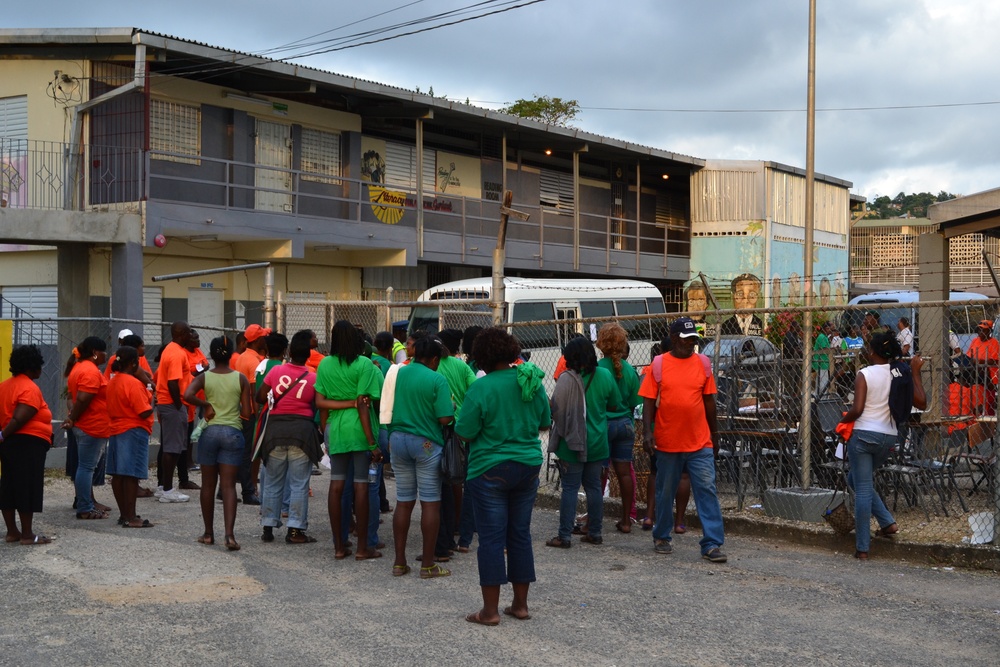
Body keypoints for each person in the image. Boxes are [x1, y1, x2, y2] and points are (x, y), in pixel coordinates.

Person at [455, 327, 550, 626]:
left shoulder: (481, 388)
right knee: (520, 534)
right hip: (528, 466)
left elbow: (466, 431)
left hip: (489, 469)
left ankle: (490, 612)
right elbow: (544, 422)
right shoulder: (530, 381)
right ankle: (520, 606)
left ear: (481, 357)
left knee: (493, 539)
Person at [639, 317, 727, 563]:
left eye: (694, 340)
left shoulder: (703, 364)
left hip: (700, 442)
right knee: (665, 493)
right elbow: (648, 401)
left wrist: (715, 434)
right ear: (674, 338)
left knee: (707, 491)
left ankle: (711, 543)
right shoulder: (658, 365)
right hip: (668, 443)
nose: (691, 344)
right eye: (687, 339)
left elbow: (709, 402)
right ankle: (662, 536)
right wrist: (648, 433)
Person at [838, 332, 926, 560]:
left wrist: (843, 421)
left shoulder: (864, 374)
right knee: (855, 480)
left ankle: (862, 548)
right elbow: (922, 403)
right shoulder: (899, 373)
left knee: (863, 489)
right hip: (888, 437)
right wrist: (916, 371)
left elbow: (857, 409)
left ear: (872, 352)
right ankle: (887, 523)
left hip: (864, 435)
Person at [315, 320, 384, 561]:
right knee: (361, 486)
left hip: (334, 429)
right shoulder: (364, 364)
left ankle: (339, 546)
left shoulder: (324, 364)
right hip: (358, 429)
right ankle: (363, 548)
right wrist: (372, 443)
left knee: (336, 486)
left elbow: (320, 403)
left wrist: (326, 430)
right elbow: (364, 405)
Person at [546, 336, 623, 548]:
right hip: (598, 440)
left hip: (571, 442)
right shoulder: (606, 375)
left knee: (570, 488)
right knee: (593, 488)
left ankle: (564, 536)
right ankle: (595, 532)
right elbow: (615, 404)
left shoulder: (566, 379)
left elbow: (556, 410)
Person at [388, 334, 454, 577]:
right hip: (426, 444)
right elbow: (445, 418)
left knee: (404, 501)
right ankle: (427, 565)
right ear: (434, 359)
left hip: (397, 440)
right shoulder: (437, 379)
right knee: (430, 502)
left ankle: (399, 562)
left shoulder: (399, 373)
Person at [184, 336, 254, 551]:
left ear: (211, 355)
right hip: (233, 433)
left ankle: (208, 534)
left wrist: (205, 404)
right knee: (229, 486)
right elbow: (247, 412)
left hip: (210, 433)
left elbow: (187, 394)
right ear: (231, 353)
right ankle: (230, 536)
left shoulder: (205, 377)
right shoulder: (240, 379)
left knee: (208, 485)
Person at [258, 330, 323, 544]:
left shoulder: (276, 371)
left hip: (275, 432)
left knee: (273, 482)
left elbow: (260, 396)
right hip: (301, 433)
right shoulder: (313, 377)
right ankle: (295, 530)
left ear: (288, 352)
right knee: (299, 484)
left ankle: (268, 526)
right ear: (308, 356)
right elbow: (318, 405)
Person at [0, 345, 54, 545]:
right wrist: (3, 434)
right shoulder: (29, 388)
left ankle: (12, 531)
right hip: (27, 443)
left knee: (9, 485)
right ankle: (27, 534)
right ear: (32, 367)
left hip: (10, 444)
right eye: (39, 365)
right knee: (27, 486)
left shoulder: (4, 386)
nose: (41, 369)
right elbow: (19, 418)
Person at [434, 328, 477, 561]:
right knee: (458, 479)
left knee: (442, 480)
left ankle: (444, 529)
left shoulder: (431, 365)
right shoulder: (461, 367)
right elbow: (474, 390)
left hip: (440, 427)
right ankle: (459, 524)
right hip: (461, 426)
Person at [595, 323, 641, 533]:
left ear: (601, 344)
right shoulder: (630, 370)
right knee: (624, 472)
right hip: (625, 423)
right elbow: (634, 401)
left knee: (599, 472)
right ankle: (626, 519)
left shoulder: (597, 369)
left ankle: (594, 517)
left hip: (603, 425)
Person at [63, 336, 112, 520]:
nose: (106, 355)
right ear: (94, 352)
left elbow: (72, 398)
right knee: (86, 468)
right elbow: (83, 398)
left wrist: (72, 418)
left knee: (84, 467)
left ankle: (86, 504)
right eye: (104, 351)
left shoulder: (78, 368)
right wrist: (72, 418)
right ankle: (85, 507)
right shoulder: (89, 371)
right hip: (92, 426)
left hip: (86, 425)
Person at [106, 345, 155, 528]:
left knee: (118, 474)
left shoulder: (113, 381)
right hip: (133, 430)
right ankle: (131, 516)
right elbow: (143, 411)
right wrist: (152, 399)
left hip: (116, 429)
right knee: (131, 475)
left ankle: (124, 514)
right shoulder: (133, 383)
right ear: (134, 363)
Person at [154, 322, 193, 504]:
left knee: (170, 446)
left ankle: (164, 487)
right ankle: (168, 490)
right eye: (189, 333)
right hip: (172, 404)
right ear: (182, 334)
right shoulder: (177, 352)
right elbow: (172, 383)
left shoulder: (170, 348)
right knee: (173, 448)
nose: (191, 336)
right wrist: (179, 405)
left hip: (167, 403)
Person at [234, 323, 271, 505]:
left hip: (241, 410)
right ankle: (248, 491)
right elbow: (255, 391)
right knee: (249, 452)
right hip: (250, 413)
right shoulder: (254, 362)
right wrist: (258, 414)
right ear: (257, 340)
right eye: (263, 336)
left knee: (242, 451)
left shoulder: (243, 357)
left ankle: (225, 490)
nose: (266, 339)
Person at [966, 320, 999, 416]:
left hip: (988, 375)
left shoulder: (994, 342)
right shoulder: (975, 341)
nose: (980, 332)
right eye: (979, 330)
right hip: (974, 373)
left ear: (989, 331)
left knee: (988, 404)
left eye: (983, 330)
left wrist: (980, 361)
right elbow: (969, 356)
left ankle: (990, 425)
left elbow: (994, 360)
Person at [813, 321, 834, 395]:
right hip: (821, 363)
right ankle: (821, 400)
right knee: (822, 384)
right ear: (827, 328)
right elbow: (824, 349)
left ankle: (820, 399)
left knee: (823, 383)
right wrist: (833, 350)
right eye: (831, 327)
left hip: (824, 363)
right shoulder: (822, 337)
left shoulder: (825, 337)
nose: (832, 329)